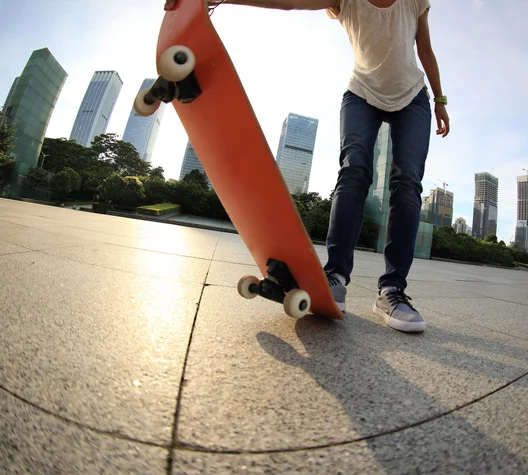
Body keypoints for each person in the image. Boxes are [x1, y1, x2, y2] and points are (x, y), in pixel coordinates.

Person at [165, 0, 450, 333]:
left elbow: (425, 49)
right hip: (361, 93)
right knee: (354, 171)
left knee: (407, 184)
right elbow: (291, 2)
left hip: (413, 96)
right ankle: (336, 276)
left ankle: (392, 291)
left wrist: (440, 100)